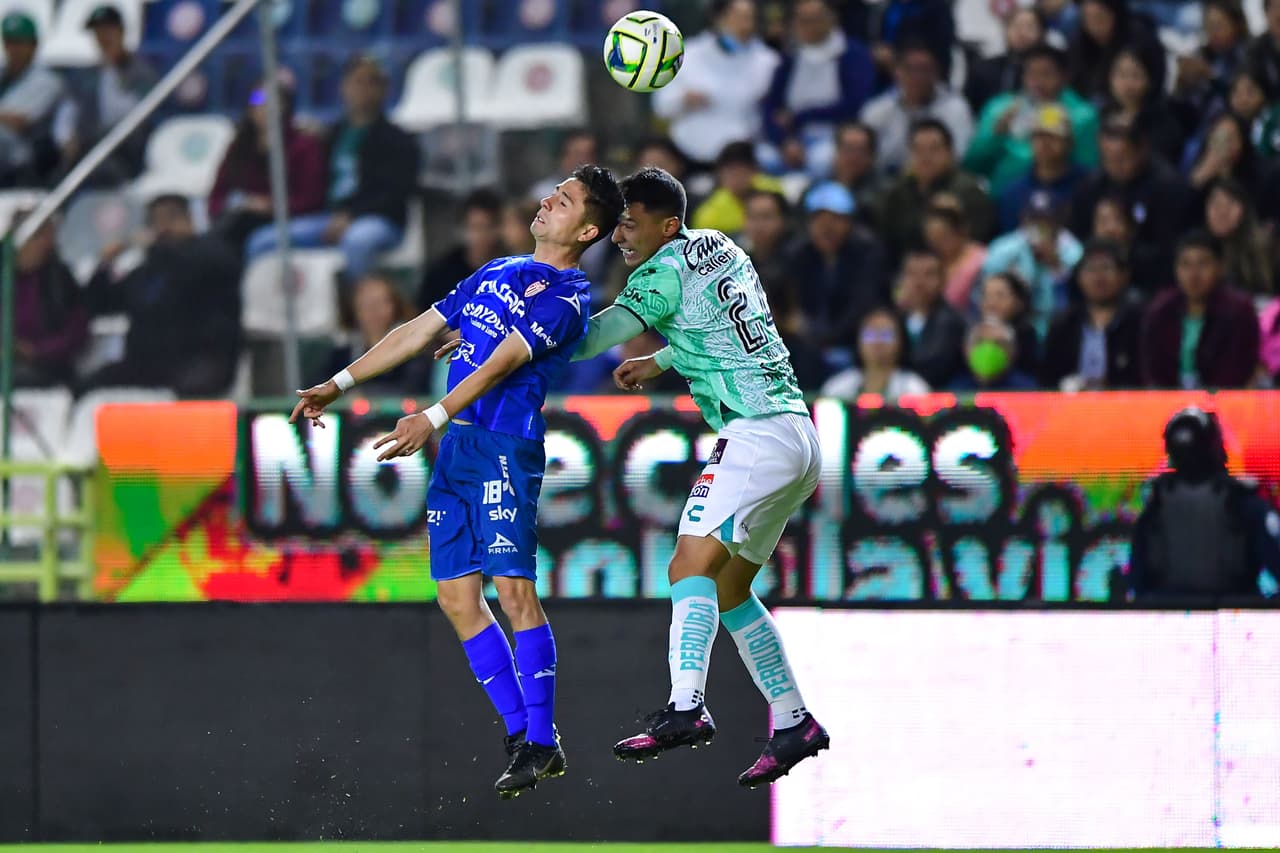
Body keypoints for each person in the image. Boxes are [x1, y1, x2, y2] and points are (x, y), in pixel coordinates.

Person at [291, 165, 625, 799]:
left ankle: (540, 736)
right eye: (554, 189)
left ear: (587, 229)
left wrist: (433, 414)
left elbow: (503, 361)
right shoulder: (496, 271)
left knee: (513, 589)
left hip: (504, 446)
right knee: (454, 597)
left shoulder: (570, 296)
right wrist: (337, 385)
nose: (550, 198)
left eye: (568, 199)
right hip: (460, 450)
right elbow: (417, 331)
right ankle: (524, 736)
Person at [566, 166, 828, 788]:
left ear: (669, 225)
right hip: (798, 432)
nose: (619, 236)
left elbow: (592, 339)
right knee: (730, 588)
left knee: (687, 567)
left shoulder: (658, 273)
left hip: (756, 432)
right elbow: (723, 329)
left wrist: (515, 330)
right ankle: (794, 722)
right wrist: (659, 361)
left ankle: (686, 706)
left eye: (630, 224)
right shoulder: (722, 248)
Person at [246, 56, 418, 282]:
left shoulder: (399, 140)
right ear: (343, 87)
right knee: (263, 242)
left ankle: (360, 312)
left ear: (383, 89)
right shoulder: (331, 136)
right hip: (328, 218)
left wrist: (352, 216)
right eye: (357, 81)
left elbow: (395, 193)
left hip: (378, 220)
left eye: (371, 82)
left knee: (357, 242)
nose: (363, 89)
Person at [82, 195, 242, 396]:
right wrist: (104, 265)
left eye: (171, 217)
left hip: (200, 357)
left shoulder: (212, 253)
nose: (164, 227)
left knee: (190, 388)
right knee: (90, 385)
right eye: (156, 221)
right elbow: (101, 304)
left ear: (189, 220)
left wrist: (158, 249)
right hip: (148, 362)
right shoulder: (146, 272)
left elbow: (202, 269)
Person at [1128, 407, 1280, 600]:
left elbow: (1136, 581)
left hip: (1168, 619)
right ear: (1217, 448)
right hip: (1232, 619)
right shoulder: (1245, 503)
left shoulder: (1155, 505)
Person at [1069, 116, 1196, 291]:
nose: (1114, 166)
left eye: (1122, 158)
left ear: (1141, 150)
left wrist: (1126, 249)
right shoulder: (1092, 186)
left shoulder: (1167, 187)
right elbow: (1076, 238)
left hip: (1152, 281)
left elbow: (1172, 249)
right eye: (1107, 158)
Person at [651, 0, 779, 169]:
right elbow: (661, 106)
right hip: (690, 154)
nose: (746, 25)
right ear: (719, 18)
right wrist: (683, 99)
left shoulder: (768, 62)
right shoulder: (689, 54)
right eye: (738, 17)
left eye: (750, 18)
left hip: (742, 159)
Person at [964, 43, 1099, 196]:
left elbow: (1087, 172)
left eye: (1046, 74)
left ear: (1064, 77)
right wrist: (995, 136)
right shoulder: (1000, 108)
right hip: (1003, 200)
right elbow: (972, 166)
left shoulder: (1082, 117)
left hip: (1062, 200)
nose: (1037, 82)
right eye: (1031, 74)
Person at [208, 75, 326, 249]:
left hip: (286, 219)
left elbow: (311, 199)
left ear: (285, 105)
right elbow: (217, 197)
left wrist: (270, 205)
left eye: (271, 100)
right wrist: (241, 203)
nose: (263, 106)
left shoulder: (304, 146)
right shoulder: (239, 146)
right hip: (239, 220)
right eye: (257, 99)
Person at [761, 0, 875, 176]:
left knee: (821, 161)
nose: (809, 27)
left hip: (834, 134)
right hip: (793, 136)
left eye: (815, 19)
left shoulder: (852, 54)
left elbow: (853, 104)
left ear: (832, 19)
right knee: (763, 157)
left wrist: (801, 116)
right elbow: (771, 104)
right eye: (802, 20)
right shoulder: (790, 56)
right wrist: (784, 141)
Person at [1140, 230, 1260, 389]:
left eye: (1203, 264)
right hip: (1167, 404)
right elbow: (1153, 373)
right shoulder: (1160, 310)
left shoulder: (1239, 311)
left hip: (1223, 403)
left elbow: (1237, 372)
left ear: (1220, 267)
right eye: (1185, 265)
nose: (1194, 274)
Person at [54, 4, 158, 186]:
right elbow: (68, 109)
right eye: (98, 32)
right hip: (85, 149)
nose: (103, 37)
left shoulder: (141, 72)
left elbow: (131, 115)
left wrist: (111, 71)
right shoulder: (87, 74)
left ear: (121, 31)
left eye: (108, 30)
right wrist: (65, 138)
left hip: (125, 149)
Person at [781, 180, 888, 348]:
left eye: (835, 219)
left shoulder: (867, 252)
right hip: (809, 341)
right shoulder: (797, 254)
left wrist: (827, 338)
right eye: (819, 219)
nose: (826, 227)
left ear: (849, 222)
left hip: (855, 341)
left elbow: (863, 305)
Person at [877, 117, 994, 264]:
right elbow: (886, 242)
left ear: (950, 153)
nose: (925, 157)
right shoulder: (898, 193)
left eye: (934, 149)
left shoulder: (969, 192)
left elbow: (978, 244)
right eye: (918, 150)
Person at [858, 38, 973, 174]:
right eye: (910, 69)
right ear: (897, 72)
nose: (917, 76)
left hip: (938, 181)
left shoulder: (955, 108)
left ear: (936, 73)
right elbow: (863, 154)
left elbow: (959, 155)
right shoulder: (877, 109)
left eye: (924, 70)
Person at [1041, 238, 1143, 390]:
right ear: (1079, 277)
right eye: (1090, 269)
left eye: (1106, 268)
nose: (1098, 277)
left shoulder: (1140, 321)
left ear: (1123, 275)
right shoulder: (1063, 323)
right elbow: (1046, 379)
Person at [981, 191, 1082, 336]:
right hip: (1014, 326)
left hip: (1057, 325)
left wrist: (1055, 264)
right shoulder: (1004, 248)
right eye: (1033, 220)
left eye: (1045, 222)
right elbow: (987, 286)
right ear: (1023, 220)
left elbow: (1076, 296)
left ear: (1057, 223)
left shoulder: (1073, 251)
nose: (1038, 228)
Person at [10, 210, 86, 388]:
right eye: (36, 237)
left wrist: (36, 351)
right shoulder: (6, 279)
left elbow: (77, 333)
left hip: (48, 368)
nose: (45, 243)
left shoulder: (60, 280)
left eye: (48, 236)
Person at [995, 104, 1087, 233]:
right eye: (1039, 136)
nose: (1045, 143)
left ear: (1069, 142)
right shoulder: (1013, 192)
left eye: (1053, 136)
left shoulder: (1087, 185)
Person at [327, 274, 424, 395]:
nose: (374, 310)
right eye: (366, 304)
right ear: (353, 309)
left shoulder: (414, 351)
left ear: (395, 305)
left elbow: (412, 391)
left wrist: (363, 394)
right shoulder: (340, 356)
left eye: (380, 302)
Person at [0, 13, 64, 186]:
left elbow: (18, 122)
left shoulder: (48, 81)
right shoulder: (3, 73)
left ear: (33, 45)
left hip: (26, 156)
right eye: (9, 42)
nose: (14, 49)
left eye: (20, 43)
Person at [416, 189, 505, 312]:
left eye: (488, 227)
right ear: (463, 228)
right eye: (475, 227)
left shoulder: (511, 268)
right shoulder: (441, 273)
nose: (481, 235)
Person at [820, 306, 930, 400]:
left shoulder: (915, 389)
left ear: (901, 342)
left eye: (886, 335)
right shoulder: (836, 388)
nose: (878, 342)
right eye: (870, 335)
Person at [1065, 0, 1165, 103]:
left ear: (1115, 14)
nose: (1094, 27)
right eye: (1088, 19)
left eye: (1100, 18)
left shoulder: (1140, 40)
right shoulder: (1079, 42)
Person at [894, 247, 967, 388]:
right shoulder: (893, 319)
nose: (919, 282)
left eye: (928, 274)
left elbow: (934, 369)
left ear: (942, 280)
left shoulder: (952, 322)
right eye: (912, 274)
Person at [690, 141, 784, 236]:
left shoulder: (773, 190)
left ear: (754, 170)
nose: (737, 177)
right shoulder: (708, 215)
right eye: (731, 171)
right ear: (719, 174)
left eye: (742, 170)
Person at [1204, 177, 1276, 297]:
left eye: (1230, 203)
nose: (1222, 211)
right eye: (1215, 203)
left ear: (1244, 209)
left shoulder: (1264, 247)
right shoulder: (1197, 248)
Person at [964, 7, 1046, 113]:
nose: (1022, 33)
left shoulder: (1048, 74)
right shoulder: (982, 69)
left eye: (1030, 27)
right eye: (1017, 26)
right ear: (1005, 30)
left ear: (1041, 34)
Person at [922, 200, 986, 312]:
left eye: (943, 236)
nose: (937, 244)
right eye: (933, 239)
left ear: (959, 231)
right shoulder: (929, 262)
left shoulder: (980, 260)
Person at [948, 317, 1039, 391]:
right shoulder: (954, 390)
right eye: (980, 342)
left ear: (1013, 351)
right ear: (965, 349)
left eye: (998, 343)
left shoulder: (1027, 391)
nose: (988, 349)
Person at [976, 271, 1040, 375]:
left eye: (1000, 296)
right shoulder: (973, 330)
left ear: (1019, 302)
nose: (991, 302)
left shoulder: (1026, 333)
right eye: (986, 295)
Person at [829, 121, 886, 223]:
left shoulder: (885, 194)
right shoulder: (819, 189)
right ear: (837, 152)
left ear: (871, 156)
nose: (853, 157)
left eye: (860, 150)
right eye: (848, 149)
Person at [528, 129, 597, 200]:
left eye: (588, 155)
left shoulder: (601, 193)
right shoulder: (543, 193)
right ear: (563, 157)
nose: (583, 160)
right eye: (577, 154)